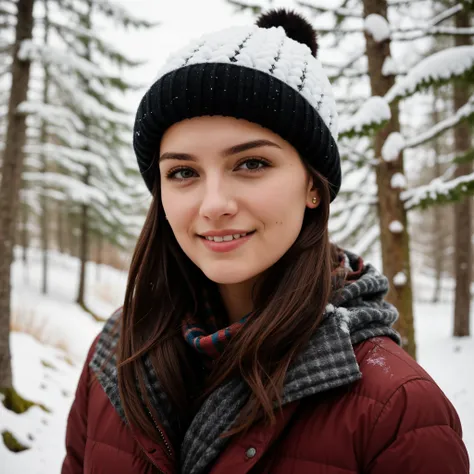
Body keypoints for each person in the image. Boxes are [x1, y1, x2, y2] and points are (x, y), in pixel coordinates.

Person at [62, 9, 469, 474]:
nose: (213, 204)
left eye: (251, 164)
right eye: (183, 172)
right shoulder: (116, 357)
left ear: (313, 186)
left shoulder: (398, 410)